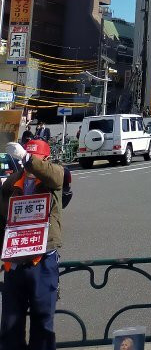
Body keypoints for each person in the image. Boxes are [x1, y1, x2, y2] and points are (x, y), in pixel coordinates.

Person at [0, 139, 64, 349]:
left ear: (45, 159)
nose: (28, 163)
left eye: (35, 157)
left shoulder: (52, 178)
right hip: (15, 261)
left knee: (42, 322)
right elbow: (3, 220)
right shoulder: (12, 183)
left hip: (42, 259)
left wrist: (29, 160)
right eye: (26, 155)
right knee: (10, 326)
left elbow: (56, 176)